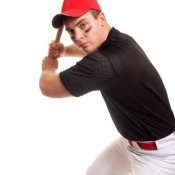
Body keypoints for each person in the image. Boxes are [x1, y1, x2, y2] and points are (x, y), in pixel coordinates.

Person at [39, 0, 175, 174]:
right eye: (71, 31)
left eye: (84, 26)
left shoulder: (103, 65)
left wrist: (49, 66)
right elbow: (92, 50)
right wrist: (64, 51)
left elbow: (48, 87)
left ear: (101, 19)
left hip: (159, 156)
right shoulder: (120, 41)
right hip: (131, 142)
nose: (78, 37)